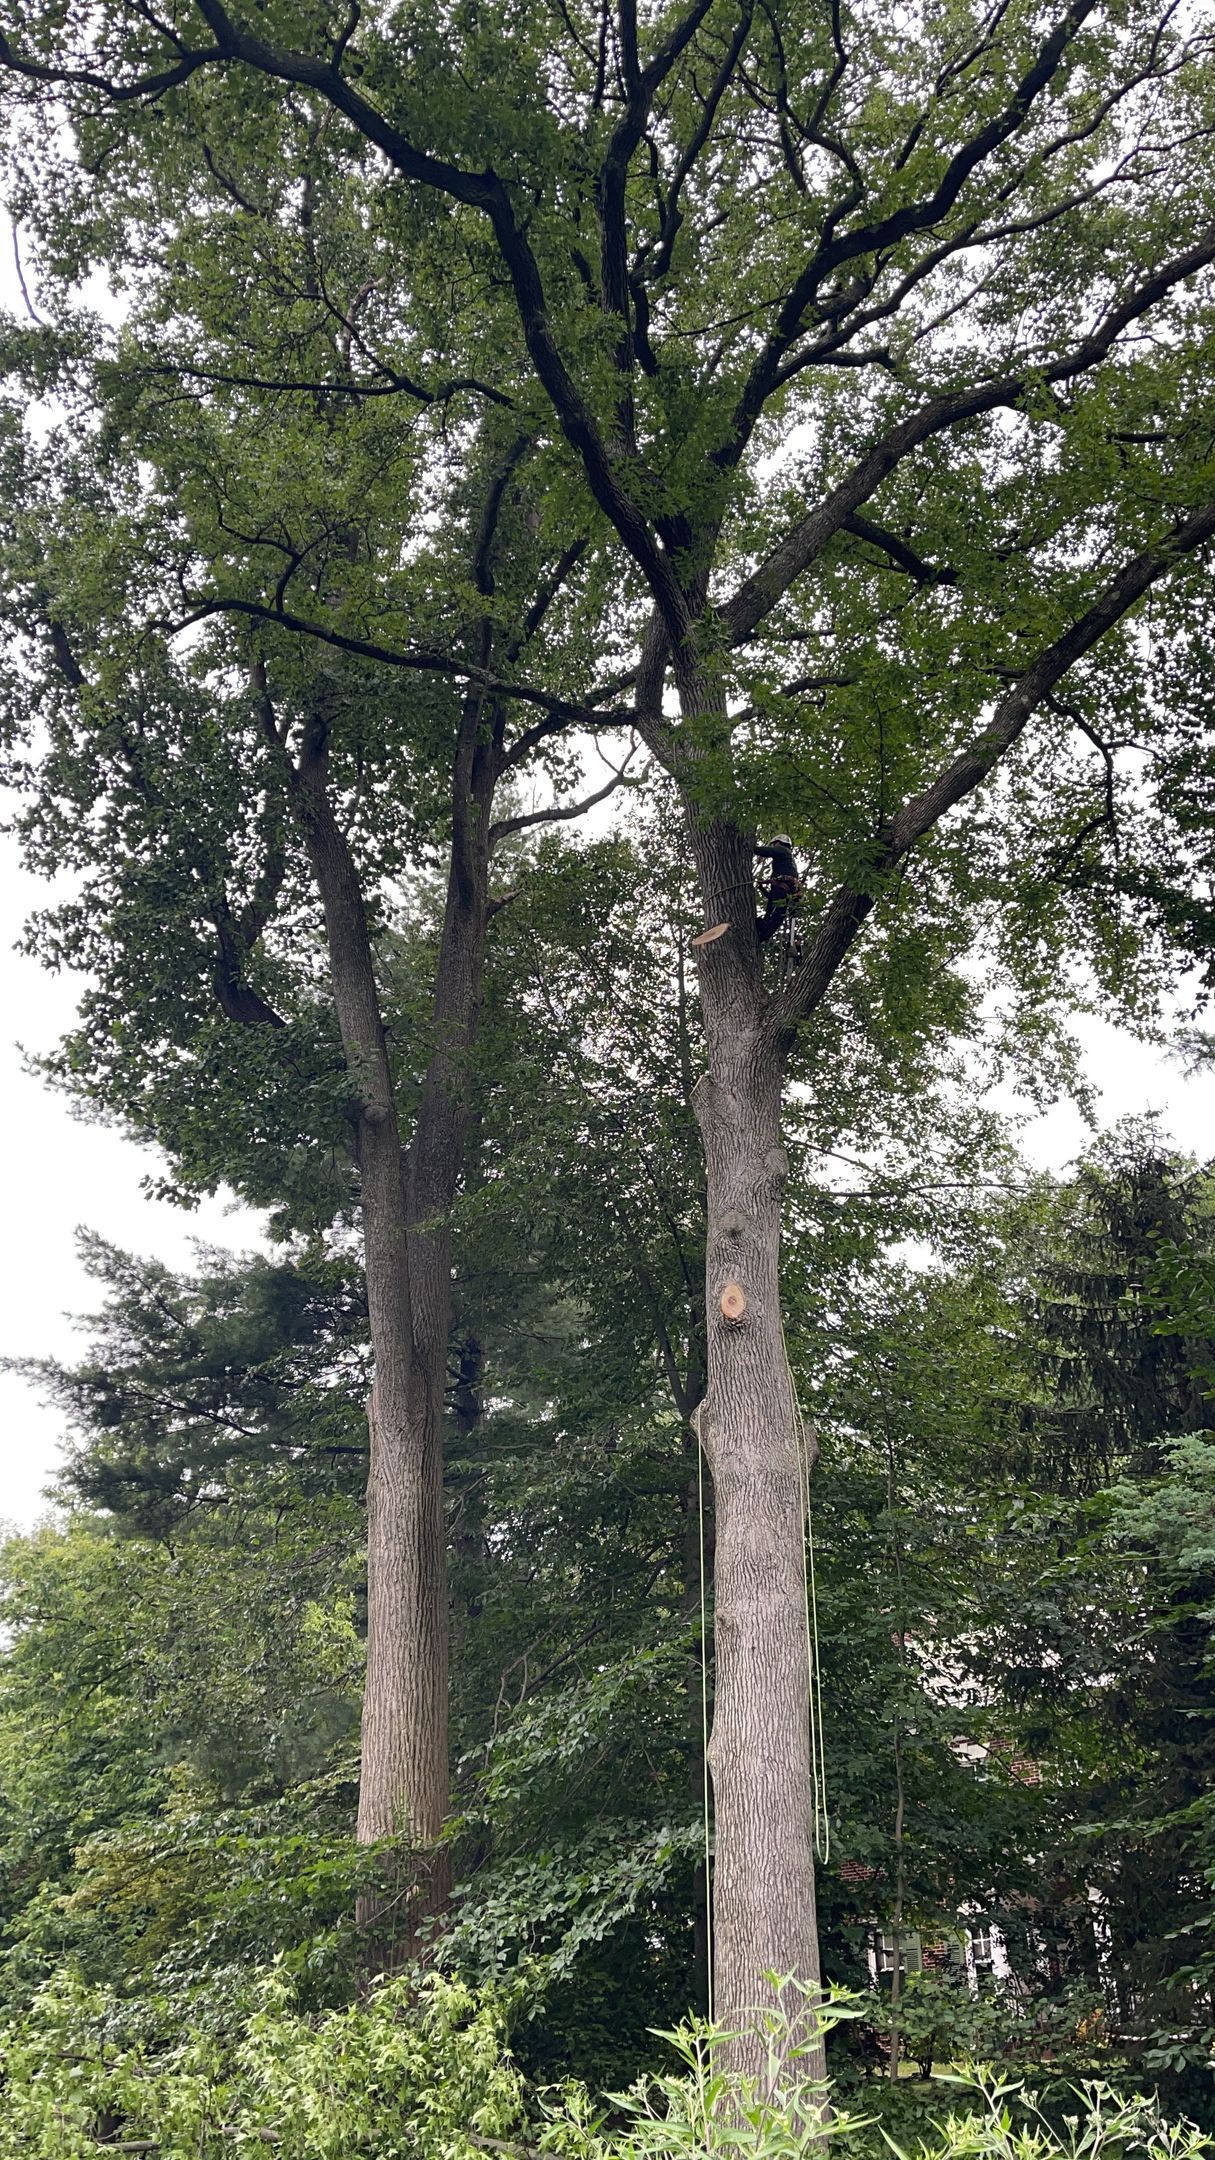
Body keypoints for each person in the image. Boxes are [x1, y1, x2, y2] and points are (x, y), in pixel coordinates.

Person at [755, 833, 801, 943]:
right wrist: (762, 888)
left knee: (777, 913)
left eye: (774, 845)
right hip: (782, 889)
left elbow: (768, 851)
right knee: (775, 912)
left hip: (782, 888)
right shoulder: (787, 860)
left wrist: (753, 848)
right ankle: (762, 933)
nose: (773, 847)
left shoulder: (783, 850)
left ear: (778, 843)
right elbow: (772, 898)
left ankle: (763, 931)